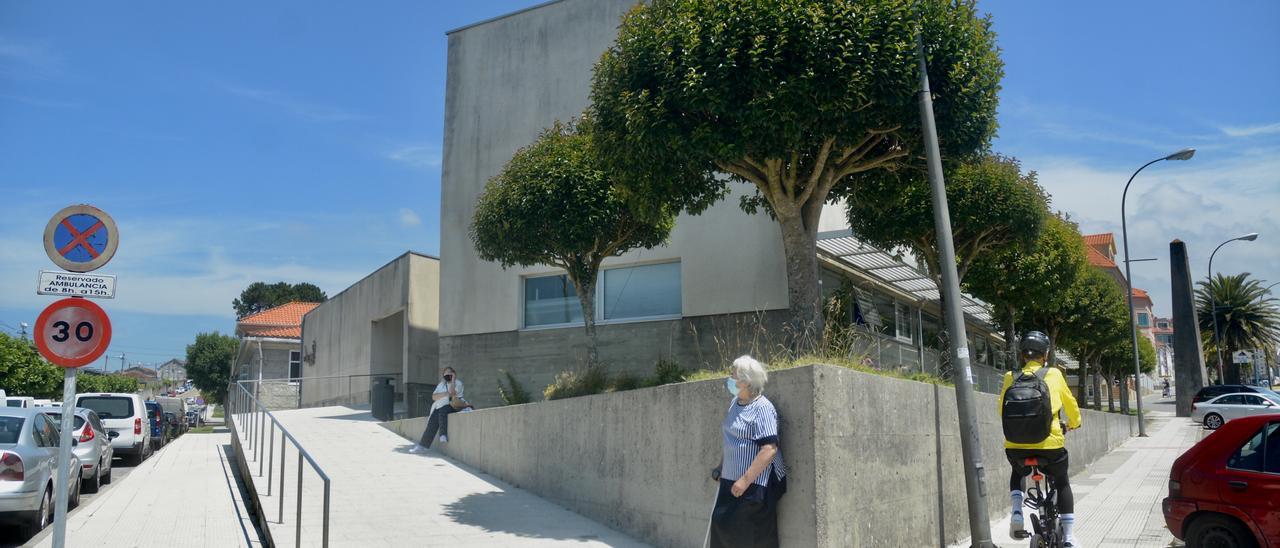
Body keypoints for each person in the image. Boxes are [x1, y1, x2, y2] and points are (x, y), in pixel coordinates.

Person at [1000, 331, 1082, 547]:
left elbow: (1001, 409)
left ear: (1022, 355)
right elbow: (1070, 404)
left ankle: (1017, 512)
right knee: (1062, 482)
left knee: (1017, 472)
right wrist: (1074, 423)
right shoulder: (1053, 374)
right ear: (1045, 354)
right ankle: (1069, 537)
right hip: (1050, 444)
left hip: (1016, 446)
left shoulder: (1011, 376)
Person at [708, 356, 787, 548]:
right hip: (730, 479)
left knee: (749, 536)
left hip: (754, 484)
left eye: (733, 375)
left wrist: (745, 480)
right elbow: (731, 440)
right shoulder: (735, 403)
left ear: (745, 381)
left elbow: (769, 449)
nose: (729, 378)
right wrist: (721, 466)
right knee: (723, 528)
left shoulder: (763, 408)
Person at [409, 367, 465, 453]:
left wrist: (453, 381)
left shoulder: (458, 383)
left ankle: (443, 435)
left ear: (453, 374)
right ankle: (422, 446)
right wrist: (445, 394)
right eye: (445, 374)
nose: (447, 375)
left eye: (449, 373)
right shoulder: (441, 385)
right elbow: (434, 397)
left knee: (443, 410)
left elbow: (453, 393)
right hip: (440, 406)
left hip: (454, 405)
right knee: (432, 421)